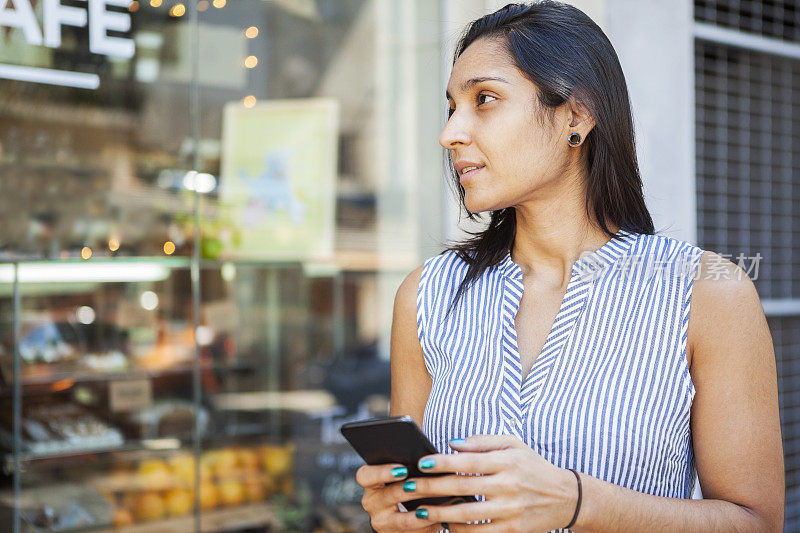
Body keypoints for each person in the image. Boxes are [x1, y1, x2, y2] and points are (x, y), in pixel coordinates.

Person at [354, 2, 784, 532]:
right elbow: (418, 495)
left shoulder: (706, 294)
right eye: (451, 108)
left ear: (575, 116)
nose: (450, 133)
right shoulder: (428, 295)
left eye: (484, 99)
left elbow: (755, 523)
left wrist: (577, 502)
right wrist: (399, 516)